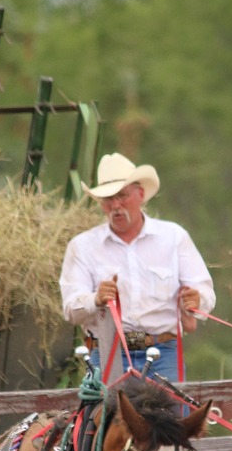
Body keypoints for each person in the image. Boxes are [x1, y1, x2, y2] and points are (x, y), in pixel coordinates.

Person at [59, 152, 216, 384]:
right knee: (104, 418)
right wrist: (96, 299)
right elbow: (70, 308)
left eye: (122, 196)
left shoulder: (174, 237)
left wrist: (195, 301)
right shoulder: (81, 247)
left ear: (140, 194)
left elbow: (205, 294)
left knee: (171, 419)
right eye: (108, 199)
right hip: (107, 352)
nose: (115, 205)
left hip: (163, 350)